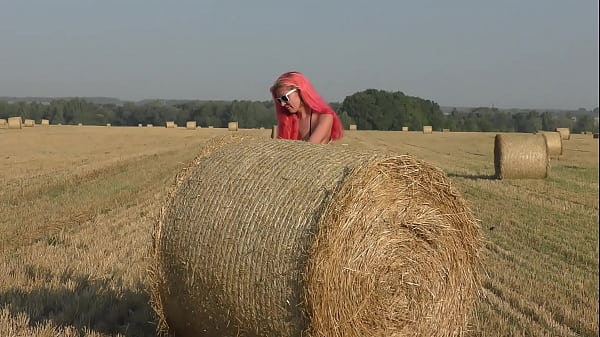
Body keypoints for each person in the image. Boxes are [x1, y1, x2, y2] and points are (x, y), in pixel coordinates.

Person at [270, 71, 343, 144]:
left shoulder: (324, 117)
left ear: (300, 91)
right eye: (280, 100)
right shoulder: (288, 121)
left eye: (285, 98)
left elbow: (309, 150)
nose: (282, 104)